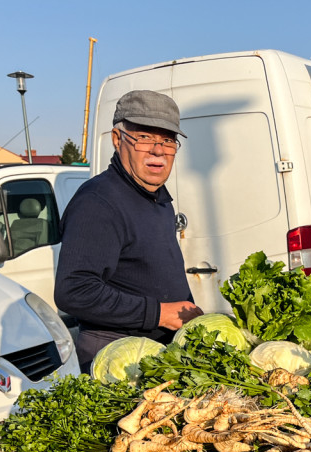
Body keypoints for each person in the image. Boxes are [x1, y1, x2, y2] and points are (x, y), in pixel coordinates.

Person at [55, 90, 203, 373]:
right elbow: (73, 291)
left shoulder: (156, 197)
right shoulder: (98, 202)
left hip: (155, 355)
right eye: (144, 137)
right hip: (118, 359)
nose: (158, 150)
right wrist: (159, 313)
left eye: (168, 140)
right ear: (117, 138)